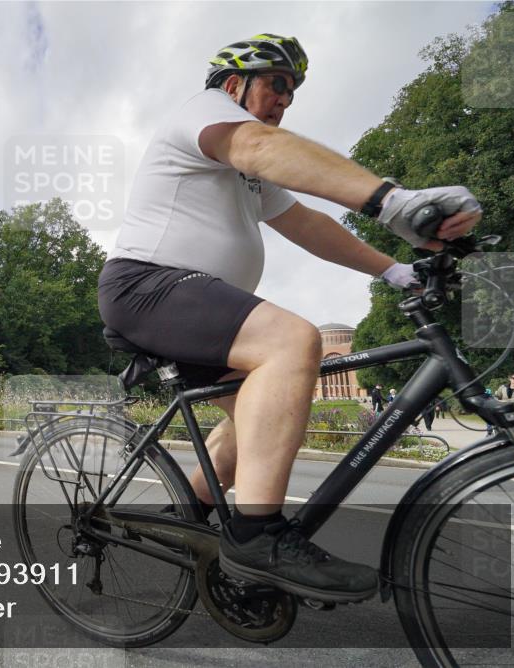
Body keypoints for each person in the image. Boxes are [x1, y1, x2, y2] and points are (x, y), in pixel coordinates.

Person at [98, 33, 481, 603]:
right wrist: (390, 200)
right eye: (278, 84)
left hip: (196, 307)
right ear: (235, 85)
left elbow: (308, 226)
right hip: (146, 284)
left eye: (293, 93)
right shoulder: (209, 114)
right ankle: (258, 538)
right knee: (292, 340)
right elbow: (259, 146)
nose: (286, 100)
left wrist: (394, 271)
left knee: (256, 425)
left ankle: (190, 527)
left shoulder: (252, 177)